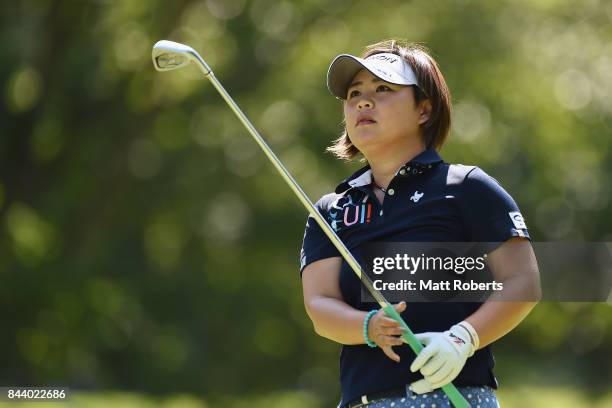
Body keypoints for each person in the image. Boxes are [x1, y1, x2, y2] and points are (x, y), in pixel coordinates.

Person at [299, 39, 541, 408]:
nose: (363, 101)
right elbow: (320, 305)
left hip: (455, 396)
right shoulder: (331, 210)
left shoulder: (466, 187)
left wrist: (463, 339)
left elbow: (524, 282)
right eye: (354, 93)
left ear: (424, 110)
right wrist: (367, 327)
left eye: (383, 89)